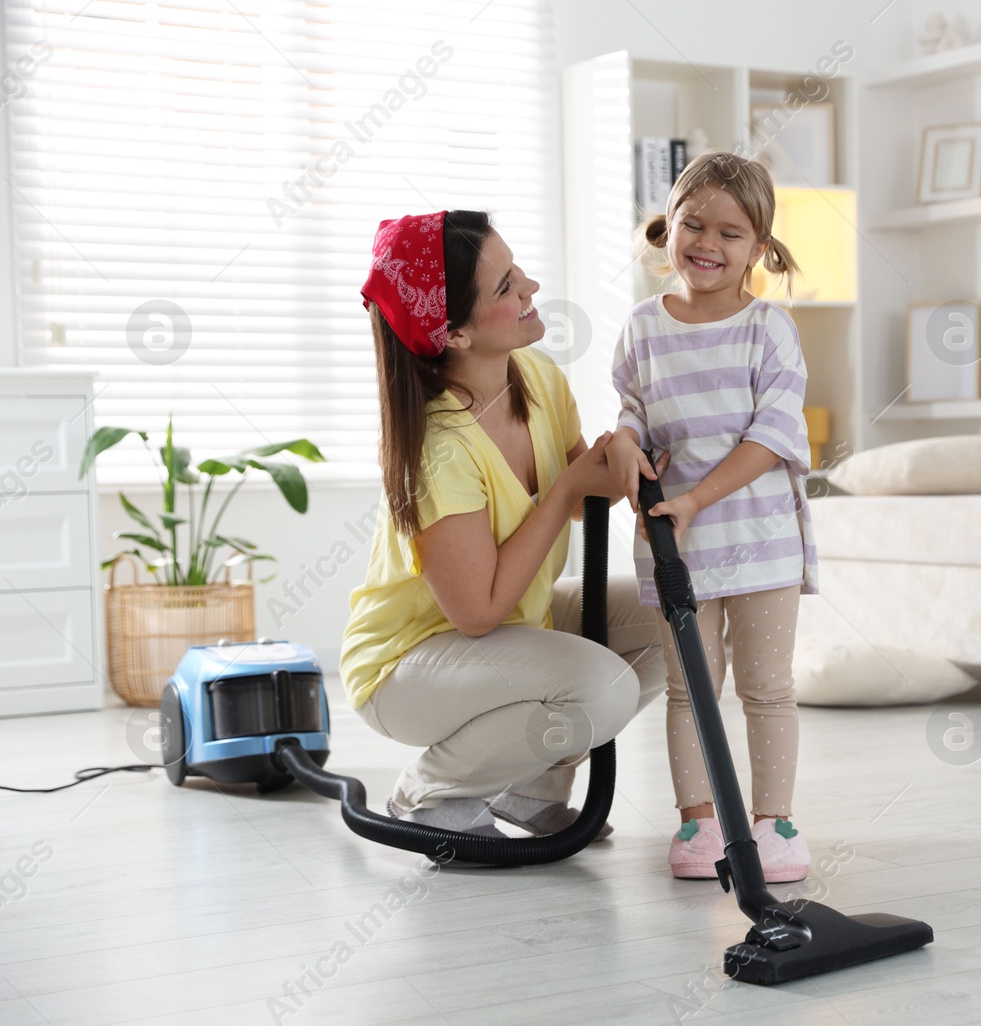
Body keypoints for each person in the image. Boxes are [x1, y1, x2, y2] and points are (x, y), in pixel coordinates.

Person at [340, 209, 665, 844]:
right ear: (454, 334)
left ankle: (531, 789)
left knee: (683, 620)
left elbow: (579, 497)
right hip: (408, 666)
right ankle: (429, 793)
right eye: (505, 286)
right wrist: (571, 485)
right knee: (602, 687)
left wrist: (621, 448)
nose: (531, 288)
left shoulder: (538, 377)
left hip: (513, 632)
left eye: (516, 269)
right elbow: (479, 613)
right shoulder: (440, 447)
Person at [605, 153, 817, 882]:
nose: (708, 243)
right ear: (669, 228)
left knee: (767, 687)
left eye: (730, 233)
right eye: (693, 223)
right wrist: (627, 442)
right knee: (690, 687)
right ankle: (698, 823)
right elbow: (630, 412)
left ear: (758, 247)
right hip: (675, 548)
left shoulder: (768, 330)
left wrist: (697, 498)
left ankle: (774, 822)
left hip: (759, 544)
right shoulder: (642, 328)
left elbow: (772, 436)